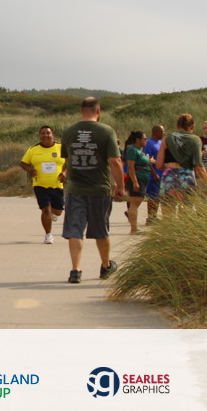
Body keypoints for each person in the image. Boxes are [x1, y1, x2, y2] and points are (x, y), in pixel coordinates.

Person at [58, 97, 124, 284]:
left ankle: (76, 270)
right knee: (101, 230)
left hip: (75, 188)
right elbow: (115, 161)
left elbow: (68, 160)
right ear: (98, 111)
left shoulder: (69, 132)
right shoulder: (106, 131)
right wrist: (120, 186)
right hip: (99, 188)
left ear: (81, 111)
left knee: (75, 229)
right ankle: (105, 265)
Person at [157, 113, 207, 214]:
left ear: (177, 125)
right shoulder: (195, 140)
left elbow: (159, 165)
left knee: (167, 215)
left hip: (169, 177)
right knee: (185, 215)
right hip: (186, 178)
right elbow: (198, 166)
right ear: (193, 126)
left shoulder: (167, 139)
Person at [19, 125, 64, 244]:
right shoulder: (33, 149)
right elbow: (23, 163)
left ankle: (52, 213)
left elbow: (70, 162)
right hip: (40, 185)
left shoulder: (61, 148)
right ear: (39, 136)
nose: (45, 135)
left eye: (48, 133)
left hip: (57, 185)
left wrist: (65, 173)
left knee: (58, 211)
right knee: (46, 210)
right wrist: (30, 170)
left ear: (53, 135)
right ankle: (48, 235)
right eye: (43, 133)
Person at [123, 131, 154, 234]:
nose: (146, 140)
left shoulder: (139, 150)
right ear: (138, 140)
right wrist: (135, 182)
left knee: (136, 203)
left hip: (142, 180)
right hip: (137, 180)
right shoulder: (133, 150)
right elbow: (130, 167)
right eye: (144, 139)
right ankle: (134, 229)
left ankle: (134, 227)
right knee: (134, 204)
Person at [142, 125, 164, 224]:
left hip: (161, 173)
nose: (163, 133)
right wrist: (154, 174)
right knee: (152, 197)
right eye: (162, 131)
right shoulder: (149, 143)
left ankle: (154, 216)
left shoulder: (160, 142)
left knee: (158, 197)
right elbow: (147, 160)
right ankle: (150, 217)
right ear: (155, 132)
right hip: (153, 175)